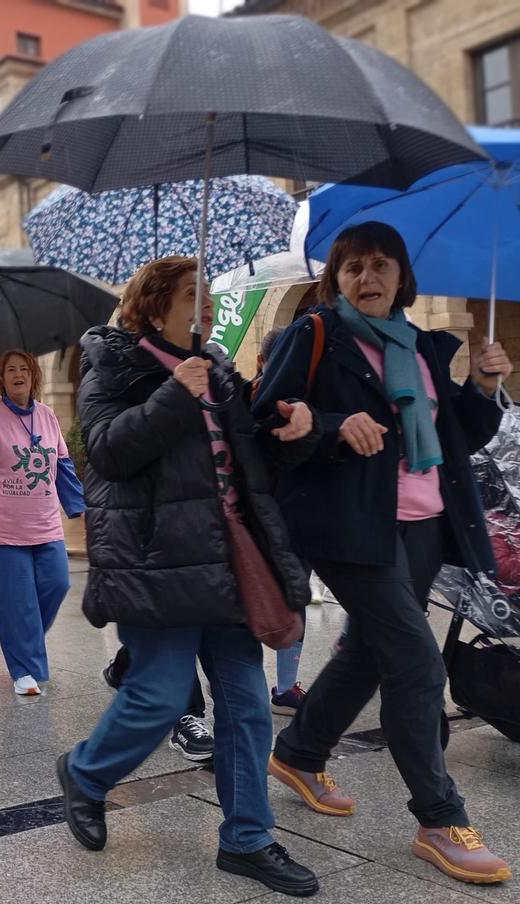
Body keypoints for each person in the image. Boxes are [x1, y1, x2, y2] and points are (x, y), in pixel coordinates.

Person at [253, 221, 513, 884]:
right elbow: (266, 417)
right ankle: (438, 816)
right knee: (417, 664)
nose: (367, 279)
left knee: (371, 653)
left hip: (422, 524)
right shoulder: (315, 335)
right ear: (336, 278)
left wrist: (483, 388)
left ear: (402, 277)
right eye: (353, 268)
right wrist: (337, 426)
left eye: (380, 266)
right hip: (348, 526)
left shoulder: (420, 345)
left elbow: (458, 433)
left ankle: (301, 750)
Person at [57, 255, 322, 897]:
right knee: (159, 695)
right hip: (160, 561)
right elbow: (109, 451)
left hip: (227, 560)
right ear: (153, 305)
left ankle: (248, 840)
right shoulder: (113, 364)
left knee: (247, 704)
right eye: (189, 295)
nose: (204, 306)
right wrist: (177, 392)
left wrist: (292, 432)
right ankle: (87, 775)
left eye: (206, 295)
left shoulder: (221, 371)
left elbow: (249, 462)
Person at [0, 349, 84, 696]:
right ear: (1, 380)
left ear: (34, 375)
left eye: (24, 369)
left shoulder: (47, 416)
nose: (18, 374)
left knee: (58, 583)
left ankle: (26, 640)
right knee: (17, 601)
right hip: (4, 528)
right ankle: (23, 670)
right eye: (10, 370)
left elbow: (61, 462)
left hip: (45, 522)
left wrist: (77, 506)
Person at [256, 325, 308, 714]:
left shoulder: (305, 402)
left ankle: (286, 687)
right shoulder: (249, 401)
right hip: (268, 522)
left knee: (295, 596)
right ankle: (278, 687)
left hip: (298, 518)